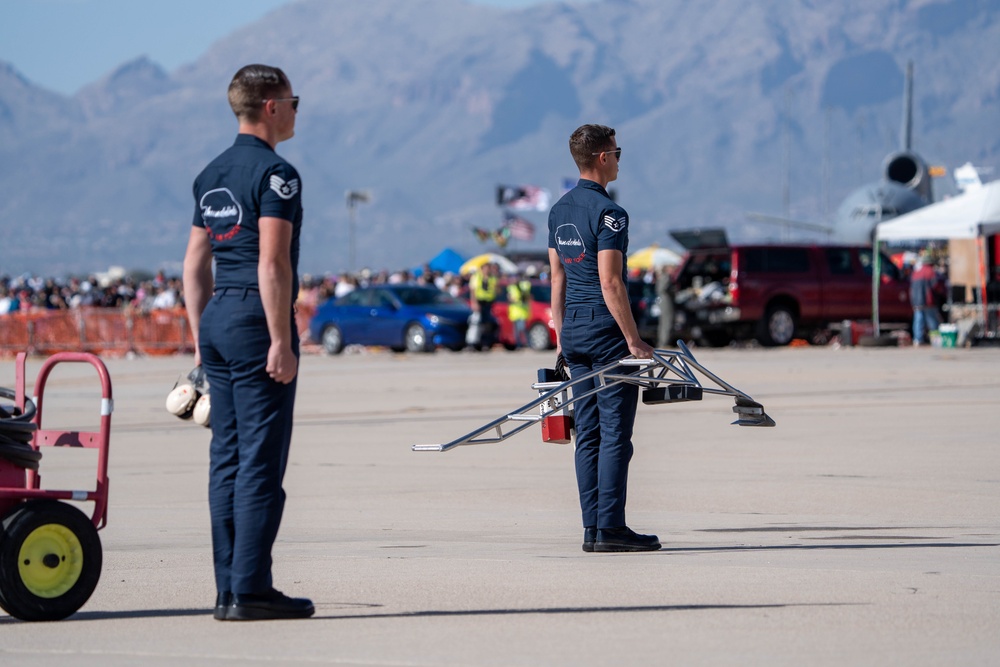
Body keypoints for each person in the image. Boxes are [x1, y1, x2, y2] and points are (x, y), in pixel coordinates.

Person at [182, 64, 314, 621]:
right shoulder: (277, 175)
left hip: (215, 319)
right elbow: (272, 261)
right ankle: (251, 589)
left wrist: (198, 344)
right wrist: (280, 337)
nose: (296, 110)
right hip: (256, 319)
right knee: (260, 462)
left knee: (226, 459)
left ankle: (227, 587)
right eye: (294, 100)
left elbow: (192, 266)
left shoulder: (211, 174)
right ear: (271, 106)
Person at [548, 124, 660, 553]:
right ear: (602, 158)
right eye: (617, 152)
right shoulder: (610, 213)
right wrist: (634, 340)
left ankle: (592, 529)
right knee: (615, 433)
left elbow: (557, 279)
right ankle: (611, 528)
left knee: (588, 433)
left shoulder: (559, 210)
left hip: (573, 329)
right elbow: (610, 282)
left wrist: (561, 338)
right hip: (604, 329)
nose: (618, 159)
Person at [910, 253, 941, 346]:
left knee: (918, 320)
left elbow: (911, 288)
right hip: (928, 301)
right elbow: (936, 286)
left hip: (917, 301)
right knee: (932, 321)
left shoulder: (916, 272)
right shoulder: (930, 271)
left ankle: (917, 339)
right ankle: (936, 340)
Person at [468, 262, 498, 350]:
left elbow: (496, 290)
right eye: (485, 268)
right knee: (476, 322)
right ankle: (472, 343)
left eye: (488, 268)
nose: (487, 270)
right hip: (479, 302)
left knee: (487, 324)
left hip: (488, 303)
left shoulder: (492, 278)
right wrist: (474, 303)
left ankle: (484, 343)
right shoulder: (477, 277)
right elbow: (473, 291)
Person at [506, 273, 532, 349]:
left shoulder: (523, 285)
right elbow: (509, 298)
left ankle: (527, 343)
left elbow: (527, 294)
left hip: (522, 311)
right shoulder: (511, 287)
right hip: (514, 311)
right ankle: (519, 344)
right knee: (516, 330)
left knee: (522, 328)